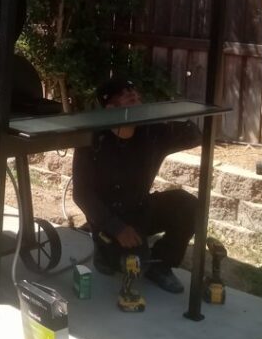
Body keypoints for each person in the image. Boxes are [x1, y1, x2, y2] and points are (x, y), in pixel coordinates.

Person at [72, 76, 202, 294]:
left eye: (136, 96)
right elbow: (82, 194)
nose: (135, 99)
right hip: (108, 218)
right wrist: (116, 227)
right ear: (110, 108)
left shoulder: (152, 133)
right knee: (128, 265)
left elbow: (194, 136)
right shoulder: (93, 141)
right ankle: (105, 253)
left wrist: (171, 114)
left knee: (188, 206)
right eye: (126, 98)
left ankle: (161, 266)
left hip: (141, 207)